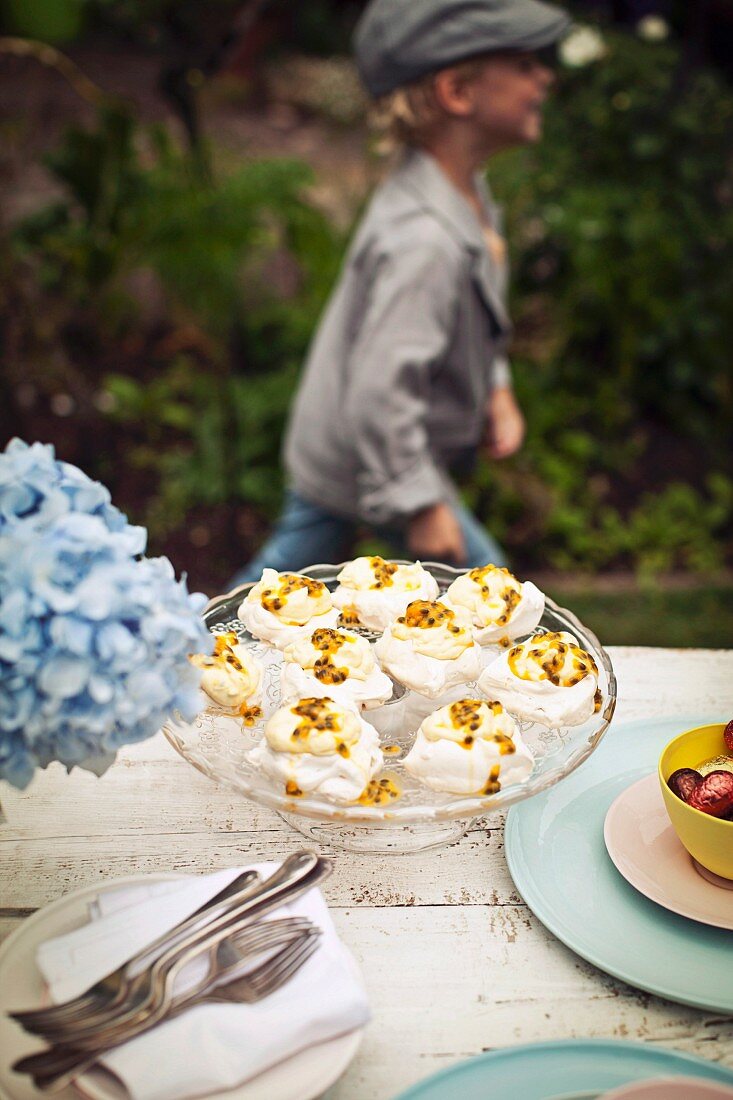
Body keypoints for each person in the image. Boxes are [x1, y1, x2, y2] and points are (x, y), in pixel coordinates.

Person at [231, 0, 570, 586]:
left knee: (280, 585)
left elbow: (475, 320)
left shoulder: (465, 193)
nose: (545, 76)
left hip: (369, 456)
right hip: (365, 462)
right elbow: (380, 390)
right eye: (522, 62)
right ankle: (190, 654)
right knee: (495, 597)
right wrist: (421, 503)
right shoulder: (425, 240)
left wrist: (496, 389)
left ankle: (195, 652)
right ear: (458, 91)